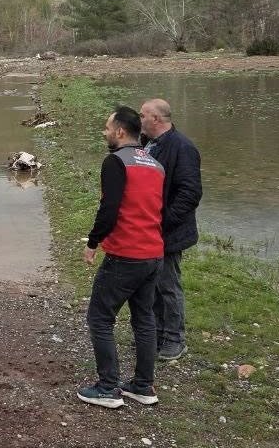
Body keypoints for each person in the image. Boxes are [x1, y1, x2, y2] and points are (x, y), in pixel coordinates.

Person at [77, 106, 165, 409]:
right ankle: (143, 386)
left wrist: (93, 241)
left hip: (126, 255)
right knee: (144, 320)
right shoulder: (155, 164)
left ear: (120, 131)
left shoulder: (115, 161)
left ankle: (108, 387)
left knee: (100, 318)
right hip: (153, 253)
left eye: (106, 127)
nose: (104, 132)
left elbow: (109, 209)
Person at [140, 98, 203, 362]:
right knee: (150, 284)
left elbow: (190, 194)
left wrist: (163, 221)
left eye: (143, 115)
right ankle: (155, 335)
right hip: (148, 229)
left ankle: (175, 340)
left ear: (156, 119)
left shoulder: (183, 147)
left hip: (168, 231)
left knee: (168, 284)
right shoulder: (148, 144)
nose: (139, 119)